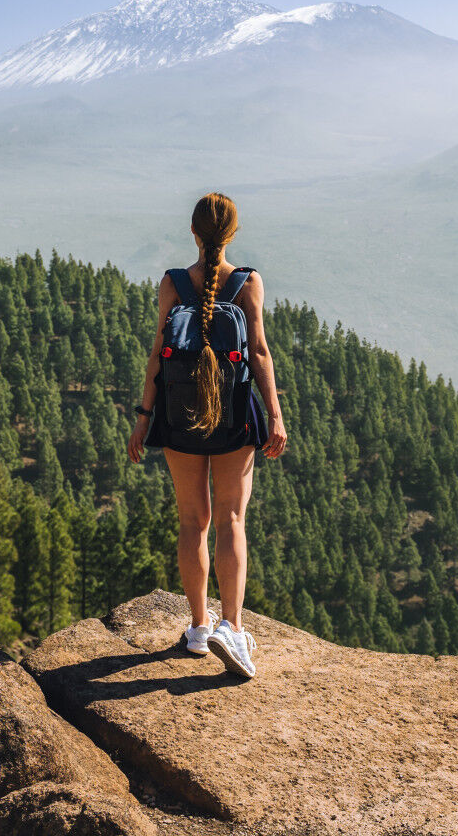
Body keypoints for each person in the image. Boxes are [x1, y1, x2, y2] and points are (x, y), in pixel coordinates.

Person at [127, 193, 288, 678]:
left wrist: (143, 417)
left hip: (179, 418)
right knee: (231, 520)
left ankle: (199, 628)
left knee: (192, 522)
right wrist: (276, 416)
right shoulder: (247, 283)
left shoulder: (173, 284)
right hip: (235, 418)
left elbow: (158, 353)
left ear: (193, 233)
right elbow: (258, 352)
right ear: (232, 234)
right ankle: (232, 628)